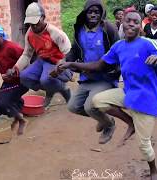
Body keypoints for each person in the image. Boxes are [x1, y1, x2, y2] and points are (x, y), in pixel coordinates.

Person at [57, 10, 157, 180]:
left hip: (147, 99)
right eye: (128, 20)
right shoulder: (118, 47)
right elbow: (98, 65)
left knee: (144, 145)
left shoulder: (149, 43)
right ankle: (130, 123)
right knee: (97, 101)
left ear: (140, 27)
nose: (131, 24)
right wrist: (71, 64)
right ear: (123, 23)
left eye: (135, 22)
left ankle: (153, 170)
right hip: (128, 93)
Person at [64, 0, 120, 144]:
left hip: (105, 77)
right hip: (87, 77)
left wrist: (117, 70)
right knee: (73, 107)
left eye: (97, 12)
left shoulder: (108, 29)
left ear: (101, 14)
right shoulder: (80, 30)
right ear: (85, 13)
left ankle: (109, 125)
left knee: (90, 106)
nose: (93, 14)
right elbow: (74, 50)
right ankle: (104, 118)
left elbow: (118, 50)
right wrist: (65, 63)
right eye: (90, 12)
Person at [4, 2, 72, 109]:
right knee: (24, 77)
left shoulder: (55, 33)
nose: (34, 26)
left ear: (43, 17)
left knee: (45, 80)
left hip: (58, 62)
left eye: (36, 22)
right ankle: (51, 89)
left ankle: (63, 89)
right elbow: (27, 55)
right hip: (43, 60)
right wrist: (14, 69)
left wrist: (59, 68)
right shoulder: (30, 34)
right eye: (31, 23)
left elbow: (68, 53)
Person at [0, 22, 29, 135]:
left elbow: (26, 59)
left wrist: (13, 71)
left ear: (1, 36)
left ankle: (22, 120)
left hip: (21, 81)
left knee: (3, 103)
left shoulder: (12, 47)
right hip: (8, 81)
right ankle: (18, 115)